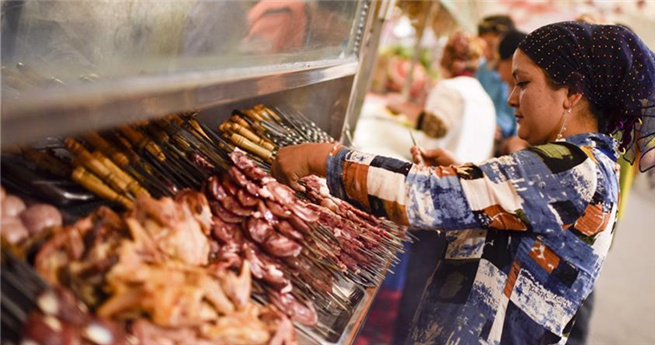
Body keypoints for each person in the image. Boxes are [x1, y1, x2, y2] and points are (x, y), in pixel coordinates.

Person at [272, 21, 655, 344]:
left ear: (571, 92)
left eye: (523, 83)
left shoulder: (572, 167)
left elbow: (425, 195)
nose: (510, 98)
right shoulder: (589, 165)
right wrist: (466, 174)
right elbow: (516, 232)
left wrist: (324, 159)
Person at [388, 31, 496, 165]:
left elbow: (435, 128)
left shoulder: (449, 87)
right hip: (470, 179)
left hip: (441, 176)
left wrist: (401, 107)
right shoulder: (485, 99)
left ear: (448, 59)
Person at [476, 15, 517, 142]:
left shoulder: (516, 75)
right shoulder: (482, 70)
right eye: (483, 47)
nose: (486, 53)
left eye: (491, 46)